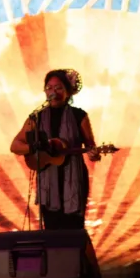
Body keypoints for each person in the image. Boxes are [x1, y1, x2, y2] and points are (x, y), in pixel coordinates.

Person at [10, 69, 101, 230]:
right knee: (51, 230)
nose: (53, 92)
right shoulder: (36, 117)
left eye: (58, 88)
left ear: (68, 92)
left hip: (74, 179)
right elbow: (15, 146)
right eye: (49, 88)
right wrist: (33, 147)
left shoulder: (79, 115)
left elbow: (91, 148)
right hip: (48, 181)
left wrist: (94, 154)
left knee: (74, 229)